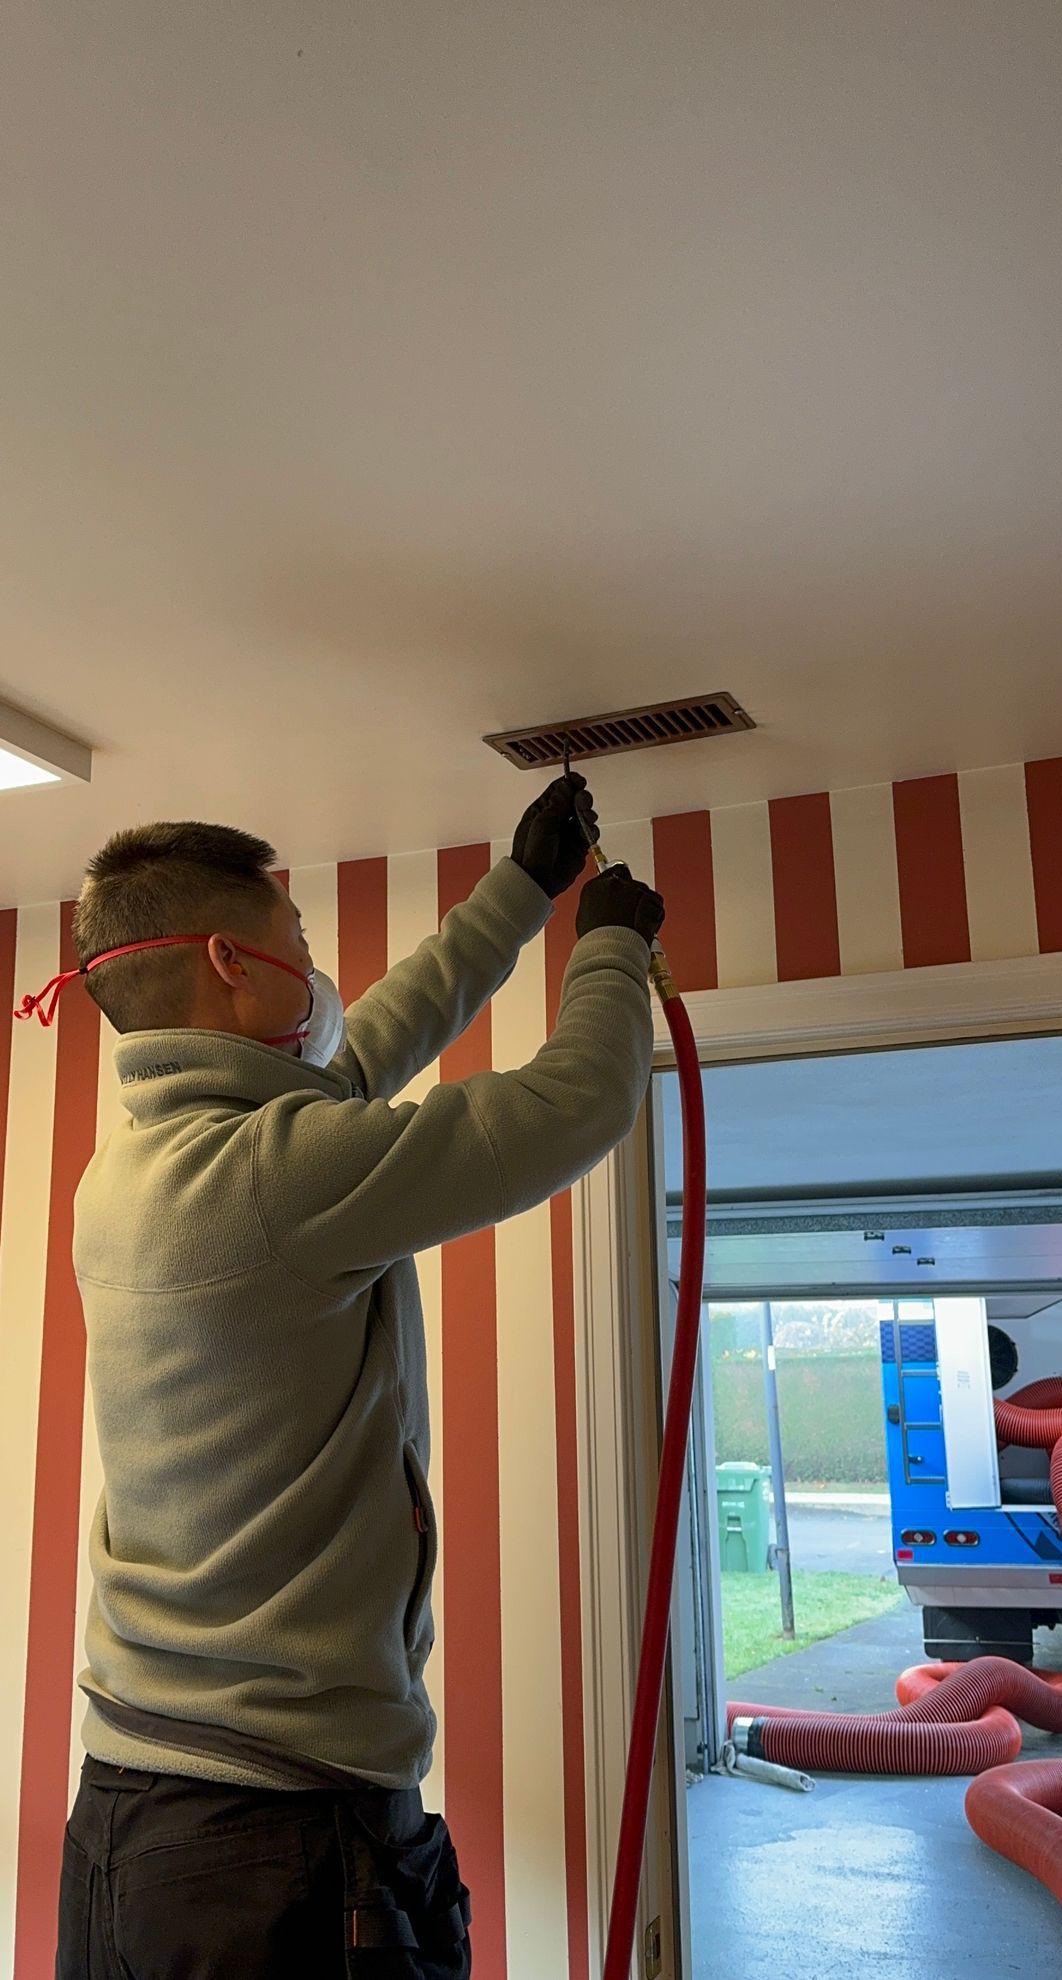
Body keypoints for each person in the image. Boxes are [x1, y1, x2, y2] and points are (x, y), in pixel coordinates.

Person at [25, 775, 664, 1979]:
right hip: (274, 1839)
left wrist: (519, 894)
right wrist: (611, 953)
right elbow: (573, 1105)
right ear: (230, 959)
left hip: (139, 1814)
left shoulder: (132, 1174)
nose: (315, 967)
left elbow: (355, 1060)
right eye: (299, 940)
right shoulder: (276, 1176)